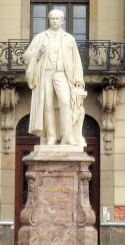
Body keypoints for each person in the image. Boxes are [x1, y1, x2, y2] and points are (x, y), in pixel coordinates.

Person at [24, 8, 86, 147]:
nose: (54, 21)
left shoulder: (69, 39)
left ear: (62, 21)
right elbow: (26, 56)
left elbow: (76, 61)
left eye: (57, 19)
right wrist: (38, 53)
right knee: (47, 105)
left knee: (65, 102)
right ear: (49, 20)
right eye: (52, 18)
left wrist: (78, 81)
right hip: (45, 73)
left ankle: (67, 135)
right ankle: (51, 136)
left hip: (61, 74)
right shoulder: (40, 37)